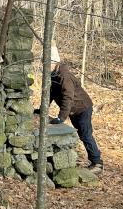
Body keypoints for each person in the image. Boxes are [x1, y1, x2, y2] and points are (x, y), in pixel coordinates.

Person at [35, 45, 103, 175]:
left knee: (86, 135)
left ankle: (97, 163)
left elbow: (68, 98)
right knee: (83, 135)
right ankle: (94, 160)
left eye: (47, 63)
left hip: (82, 108)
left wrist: (61, 117)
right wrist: (42, 109)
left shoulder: (64, 76)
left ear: (54, 62)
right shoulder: (54, 75)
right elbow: (51, 94)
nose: (45, 66)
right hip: (74, 109)